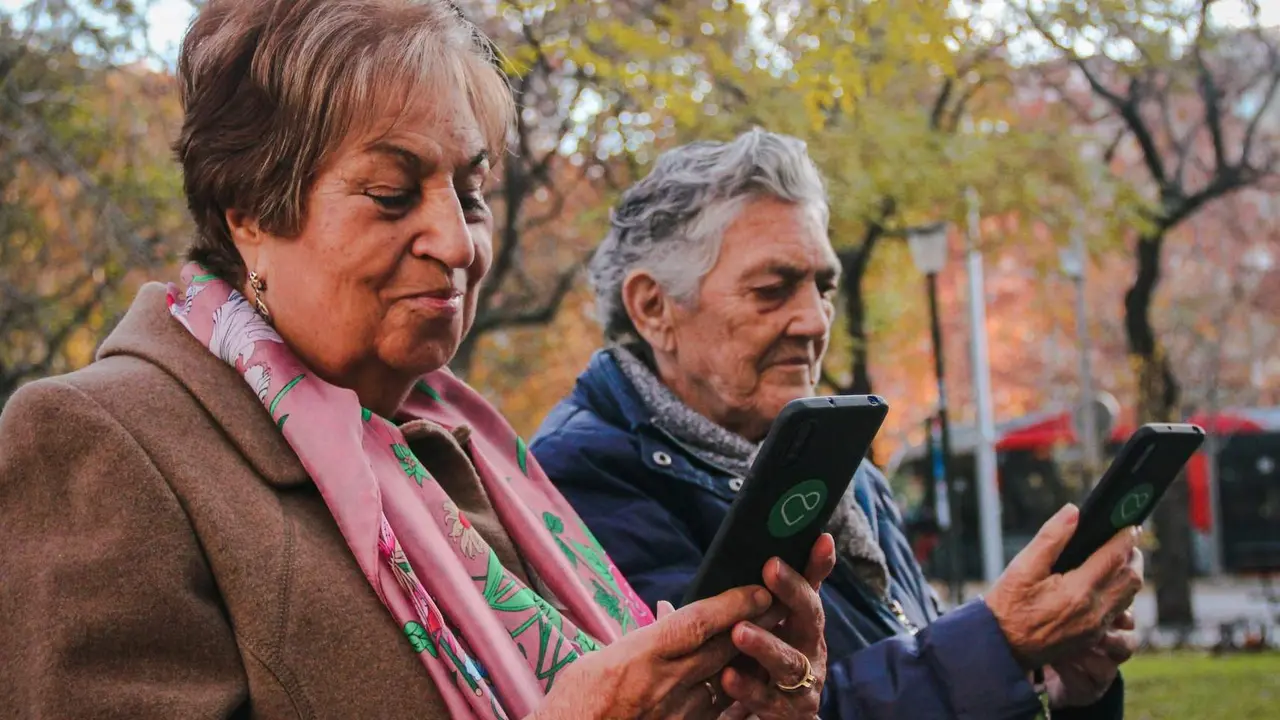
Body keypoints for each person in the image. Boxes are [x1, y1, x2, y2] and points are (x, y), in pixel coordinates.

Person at [0, 4, 833, 719]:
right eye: (392, 195)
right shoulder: (99, 440)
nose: (456, 242)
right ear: (251, 210)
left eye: (470, 193)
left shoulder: (472, 450)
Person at [531, 130, 1144, 719]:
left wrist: (1055, 687)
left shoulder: (833, 463)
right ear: (654, 308)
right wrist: (998, 641)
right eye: (773, 289)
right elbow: (747, 706)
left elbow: (898, 652)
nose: (814, 321)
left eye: (824, 287)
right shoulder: (582, 476)